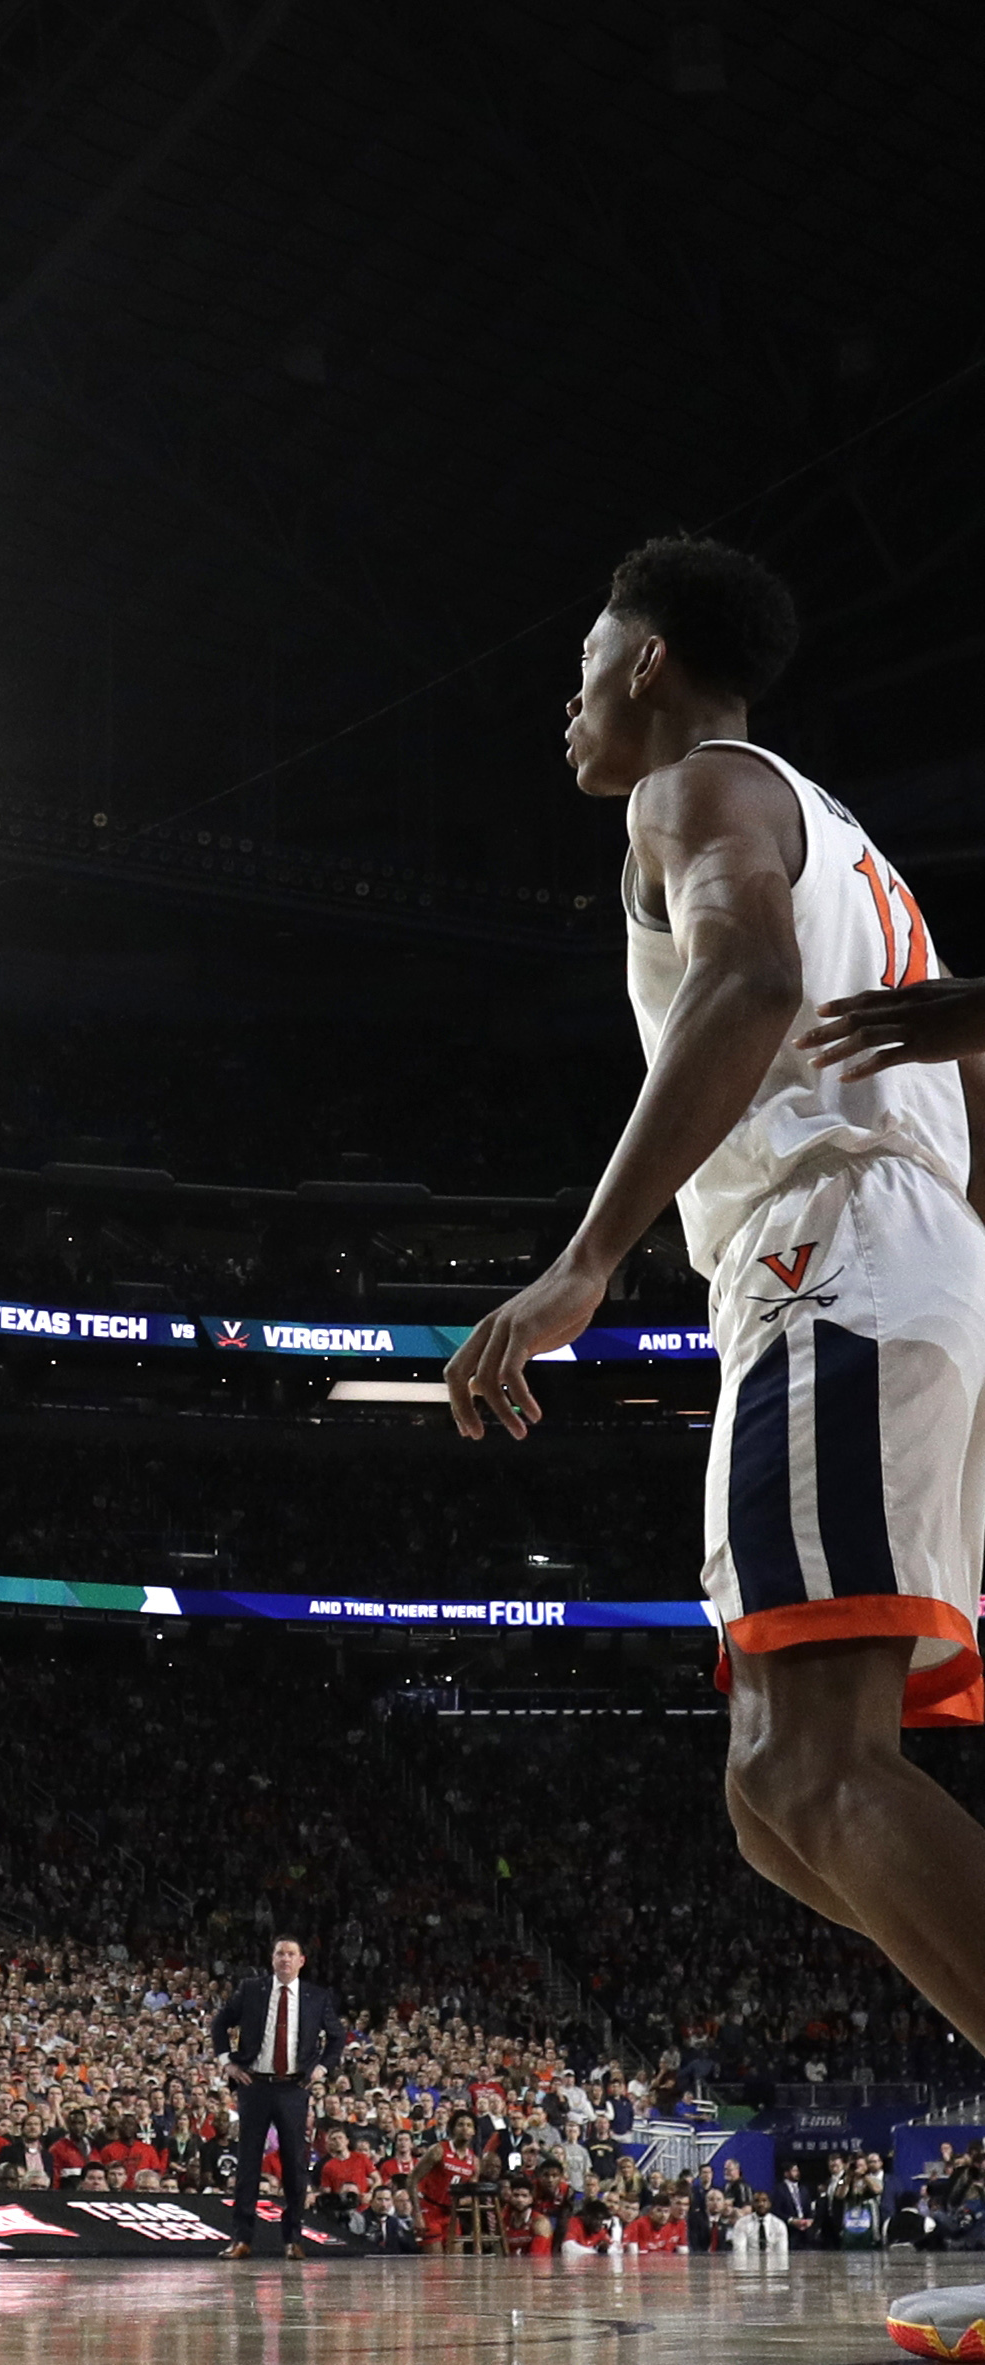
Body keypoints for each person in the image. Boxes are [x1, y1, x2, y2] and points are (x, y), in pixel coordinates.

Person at [450, 539, 985, 2044]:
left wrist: (586, 1259)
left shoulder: (696, 789)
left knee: (817, 1772)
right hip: (888, 1263)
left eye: (579, 666)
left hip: (834, 1257)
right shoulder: (852, 847)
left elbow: (742, 983)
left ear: (645, 660)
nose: (564, 705)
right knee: (770, 1795)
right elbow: (972, 1077)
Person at [210, 1936, 340, 2259]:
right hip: (254, 2084)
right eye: (280, 1953)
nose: (285, 1959)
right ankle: (241, 2239)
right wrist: (227, 2062)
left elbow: (337, 2036)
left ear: (301, 1961)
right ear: (272, 1959)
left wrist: (322, 2067)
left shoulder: (316, 1996)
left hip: (293, 2088)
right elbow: (219, 2023)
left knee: (295, 2165)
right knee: (248, 2164)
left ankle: (293, 2238)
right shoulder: (252, 1989)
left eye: (291, 1954)